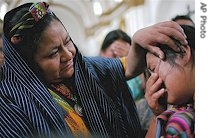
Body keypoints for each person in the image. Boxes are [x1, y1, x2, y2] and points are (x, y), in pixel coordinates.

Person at [0, 2, 188, 138]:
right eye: (53, 53)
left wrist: (138, 41)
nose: (69, 55)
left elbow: (128, 67)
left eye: (67, 42)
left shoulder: (85, 69)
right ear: (27, 63)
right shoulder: (10, 107)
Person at [144, 25, 195, 137]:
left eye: (153, 69)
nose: (153, 80)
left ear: (183, 53)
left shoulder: (180, 124)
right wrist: (157, 114)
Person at [100, 29, 145, 101]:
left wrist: (132, 58)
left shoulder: (137, 72)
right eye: (114, 53)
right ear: (102, 53)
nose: (120, 61)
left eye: (123, 57)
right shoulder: (93, 74)